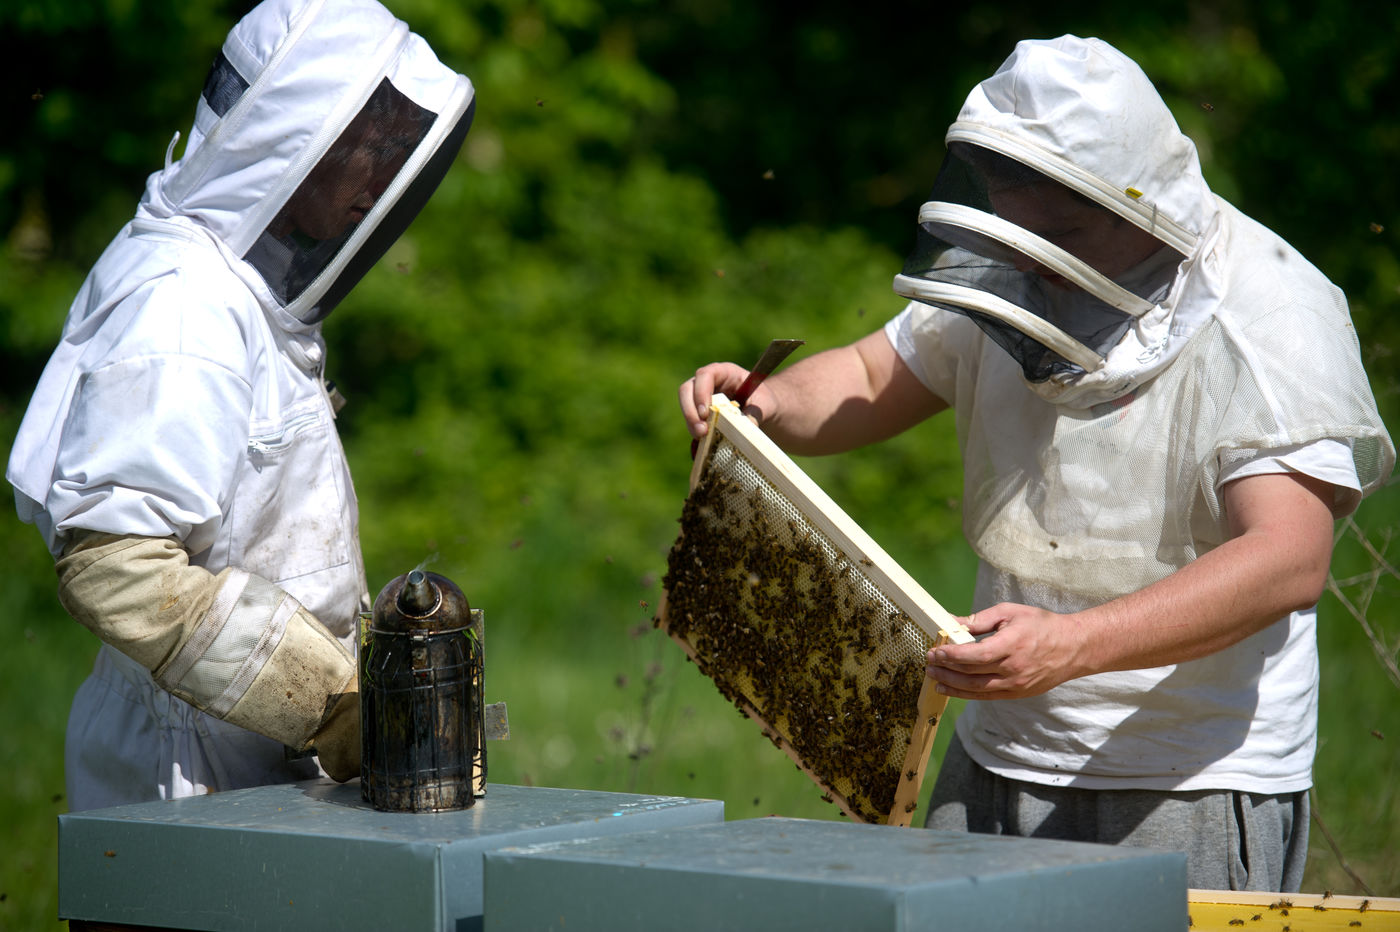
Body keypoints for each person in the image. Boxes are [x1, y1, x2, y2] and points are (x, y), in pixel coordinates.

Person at [679, 35, 1394, 891]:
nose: (1030, 256)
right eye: (1014, 225)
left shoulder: (1270, 314)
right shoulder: (1013, 262)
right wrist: (767, 405)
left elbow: (1286, 558)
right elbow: (873, 375)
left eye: (1060, 233)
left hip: (1185, 780)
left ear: (1137, 209)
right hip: (993, 750)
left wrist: (1074, 646)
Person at [6, 0, 475, 811]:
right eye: (370, 147)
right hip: (186, 771)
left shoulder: (235, 298)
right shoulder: (184, 306)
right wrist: (332, 705)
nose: (381, 178)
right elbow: (116, 567)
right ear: (295, 137)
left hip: (249, 754)